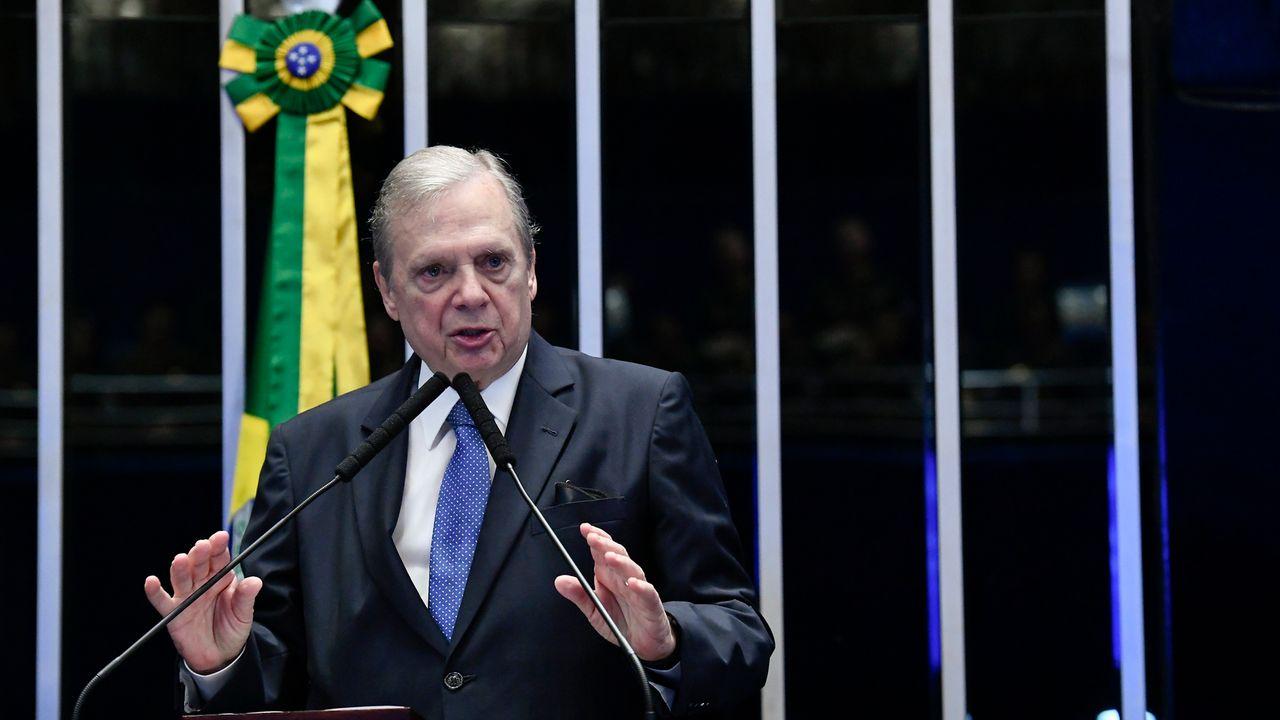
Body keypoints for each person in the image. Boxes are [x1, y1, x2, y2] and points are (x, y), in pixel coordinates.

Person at [144, 146, 772, 718]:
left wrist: (667, 643)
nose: (471, 294)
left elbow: (739, 631)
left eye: (494, 262)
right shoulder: (312, 452)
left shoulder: (642, 411)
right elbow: (275, 673)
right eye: (434, 272)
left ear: (531, 270)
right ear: (387, 290)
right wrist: (219, 664)